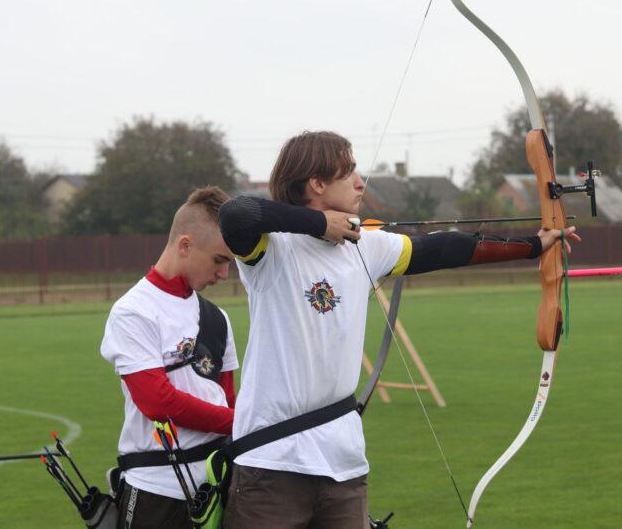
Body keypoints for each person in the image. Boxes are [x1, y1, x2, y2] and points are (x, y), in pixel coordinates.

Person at [217, 130, 580, 528]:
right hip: (272, 465)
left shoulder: (365, 246)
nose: (360, 182)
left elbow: (444, 248)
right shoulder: (272, 250)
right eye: (348, 172)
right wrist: (320, 223)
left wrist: (533, 245)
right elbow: (236, 213)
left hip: (343, 462)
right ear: (317, 183)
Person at [100, 186, 239, 529]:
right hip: (156, 490)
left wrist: (239, 423)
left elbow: (226, 397)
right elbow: (157, 402)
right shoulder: (133, 312)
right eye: (219, 260)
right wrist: (240, 422)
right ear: (185, 245)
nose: (224, 274)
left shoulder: (218, 318)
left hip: (218, 484)